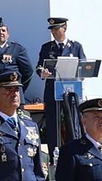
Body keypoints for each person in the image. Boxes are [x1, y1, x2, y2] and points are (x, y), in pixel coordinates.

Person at [35, 17, 85, 150]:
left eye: (57, 29)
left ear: (65, 28)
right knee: (53, 124)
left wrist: (80, 72)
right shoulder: (47, 47)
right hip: (53, 90)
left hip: (72, 91)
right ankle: (54, 155)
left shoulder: (75, 46)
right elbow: (39, 67)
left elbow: (84, 67)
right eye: (52, 30)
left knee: (73, 124)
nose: (54, 32)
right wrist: (42, 72)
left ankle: (75, 152)